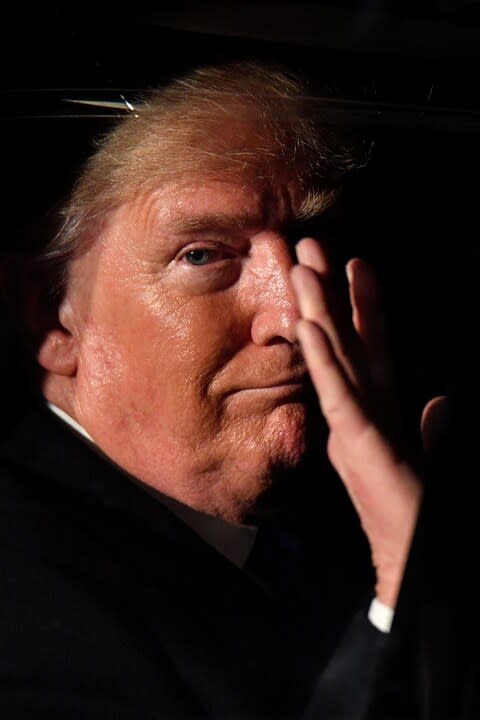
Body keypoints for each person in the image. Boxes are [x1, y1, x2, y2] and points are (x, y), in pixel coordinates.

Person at [0, 60, 425, 719]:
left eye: (312, 242)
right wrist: (413, 588)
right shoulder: (25, 609)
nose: (292, 317)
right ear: (53, 312)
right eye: (203, 254)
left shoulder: (316, 522)